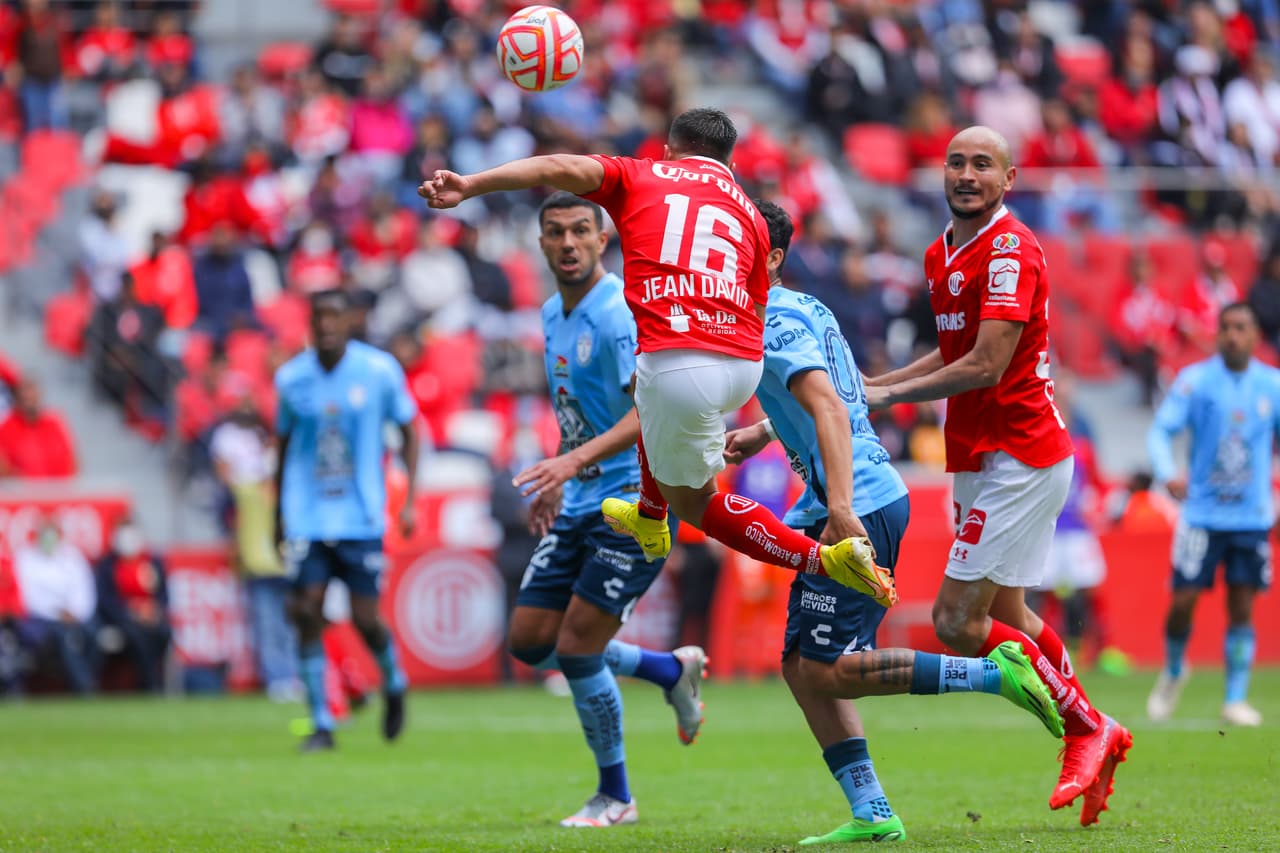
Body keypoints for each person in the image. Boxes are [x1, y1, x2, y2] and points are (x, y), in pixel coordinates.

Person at [419, 107, 890, 604]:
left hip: (681, 363)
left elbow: (558, 165)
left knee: (697, 501)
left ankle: (824, 559)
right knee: (647, 380)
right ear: (729, 162)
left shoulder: (642, 174)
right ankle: (648, 512)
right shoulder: (750, 212)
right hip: (741, 362)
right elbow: (758, 302)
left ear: (668, 151)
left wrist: (471, 185)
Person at [726, 201, 1062, 846]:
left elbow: (830, 408)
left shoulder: (774, 319)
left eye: (737, 244)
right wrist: (767, 430)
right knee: (801, 666)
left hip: (857, 504)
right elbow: (843, 395)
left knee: (829, 669)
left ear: (770, 258)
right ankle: (872, 809)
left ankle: (996, 673)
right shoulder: (808, 307)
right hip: (847, 497)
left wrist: (841, 508)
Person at [863, 126, 1131, 827]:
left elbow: (985, 363)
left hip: (1022, 452)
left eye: (983, 164)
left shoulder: (1011, 248)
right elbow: (953, 348)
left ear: (1009, 179)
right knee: (1008, 616)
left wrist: (887, 397)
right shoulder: (940, 252)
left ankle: (1086, 725)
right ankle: (1094, 729)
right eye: (956, 161)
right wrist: (879, 383)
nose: (966, 173)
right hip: (979, 456)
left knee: (956, 622)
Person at [504, 192, 708, 828]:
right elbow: (579, 412)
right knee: (530, 642)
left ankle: (616, 796)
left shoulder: (619, 314)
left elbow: (648, 411)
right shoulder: (551, 314)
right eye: (555, 232)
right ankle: (667, 670)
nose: (568, 243)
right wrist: (561, 472)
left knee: (577, 649)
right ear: (542, 243)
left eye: (579, 231)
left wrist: (570, 463)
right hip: (581, 498)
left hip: (635, 504)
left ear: (602, 240)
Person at [274, 289, 420, 751]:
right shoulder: (291, 378)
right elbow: (282, 445)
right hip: (307, 515)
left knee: (364, 618)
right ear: (309, 323)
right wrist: (278, 514)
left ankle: (393, 681)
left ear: (349, 321)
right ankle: (322, 721)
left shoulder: (378, 371)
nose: (326, 325)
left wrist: (410, 500)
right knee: (306, 611)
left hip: (360, 515)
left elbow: (410, 429)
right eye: (318, 317)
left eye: (334, 316)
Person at [1146, 303, 1277, 728]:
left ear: (1255, 335)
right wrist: (1167, 472)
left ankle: (1234, 698)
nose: (1232, 336)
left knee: (1242, 607)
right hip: (1201, 515)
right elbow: (1161, 430)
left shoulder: (1272, 385)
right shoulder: (1195, 381)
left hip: (1251, 517)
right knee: (1182, 601)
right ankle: (1174, 669)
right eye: (1225, 328)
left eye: (1240, 328)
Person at [12, 516, 97, 694]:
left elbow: (84, 589)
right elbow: (30, 596)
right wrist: (57, 613)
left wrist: (75, 612)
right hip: (44, 618)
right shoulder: (26, 559)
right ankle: (83, 686)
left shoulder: (72, 556)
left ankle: (88, 678)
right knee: (64, 638)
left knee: (93, 635)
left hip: (76, 615)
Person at [94, 519, 171, 693]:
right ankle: (150, 683)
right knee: (136, 636)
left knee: (163, 633)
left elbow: (163, 595)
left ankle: (154, 682)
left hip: (150, 617)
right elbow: (105, 601)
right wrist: (131, 613)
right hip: (123, 619)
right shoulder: (107, 566)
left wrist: (153, 611)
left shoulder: (152, 562)